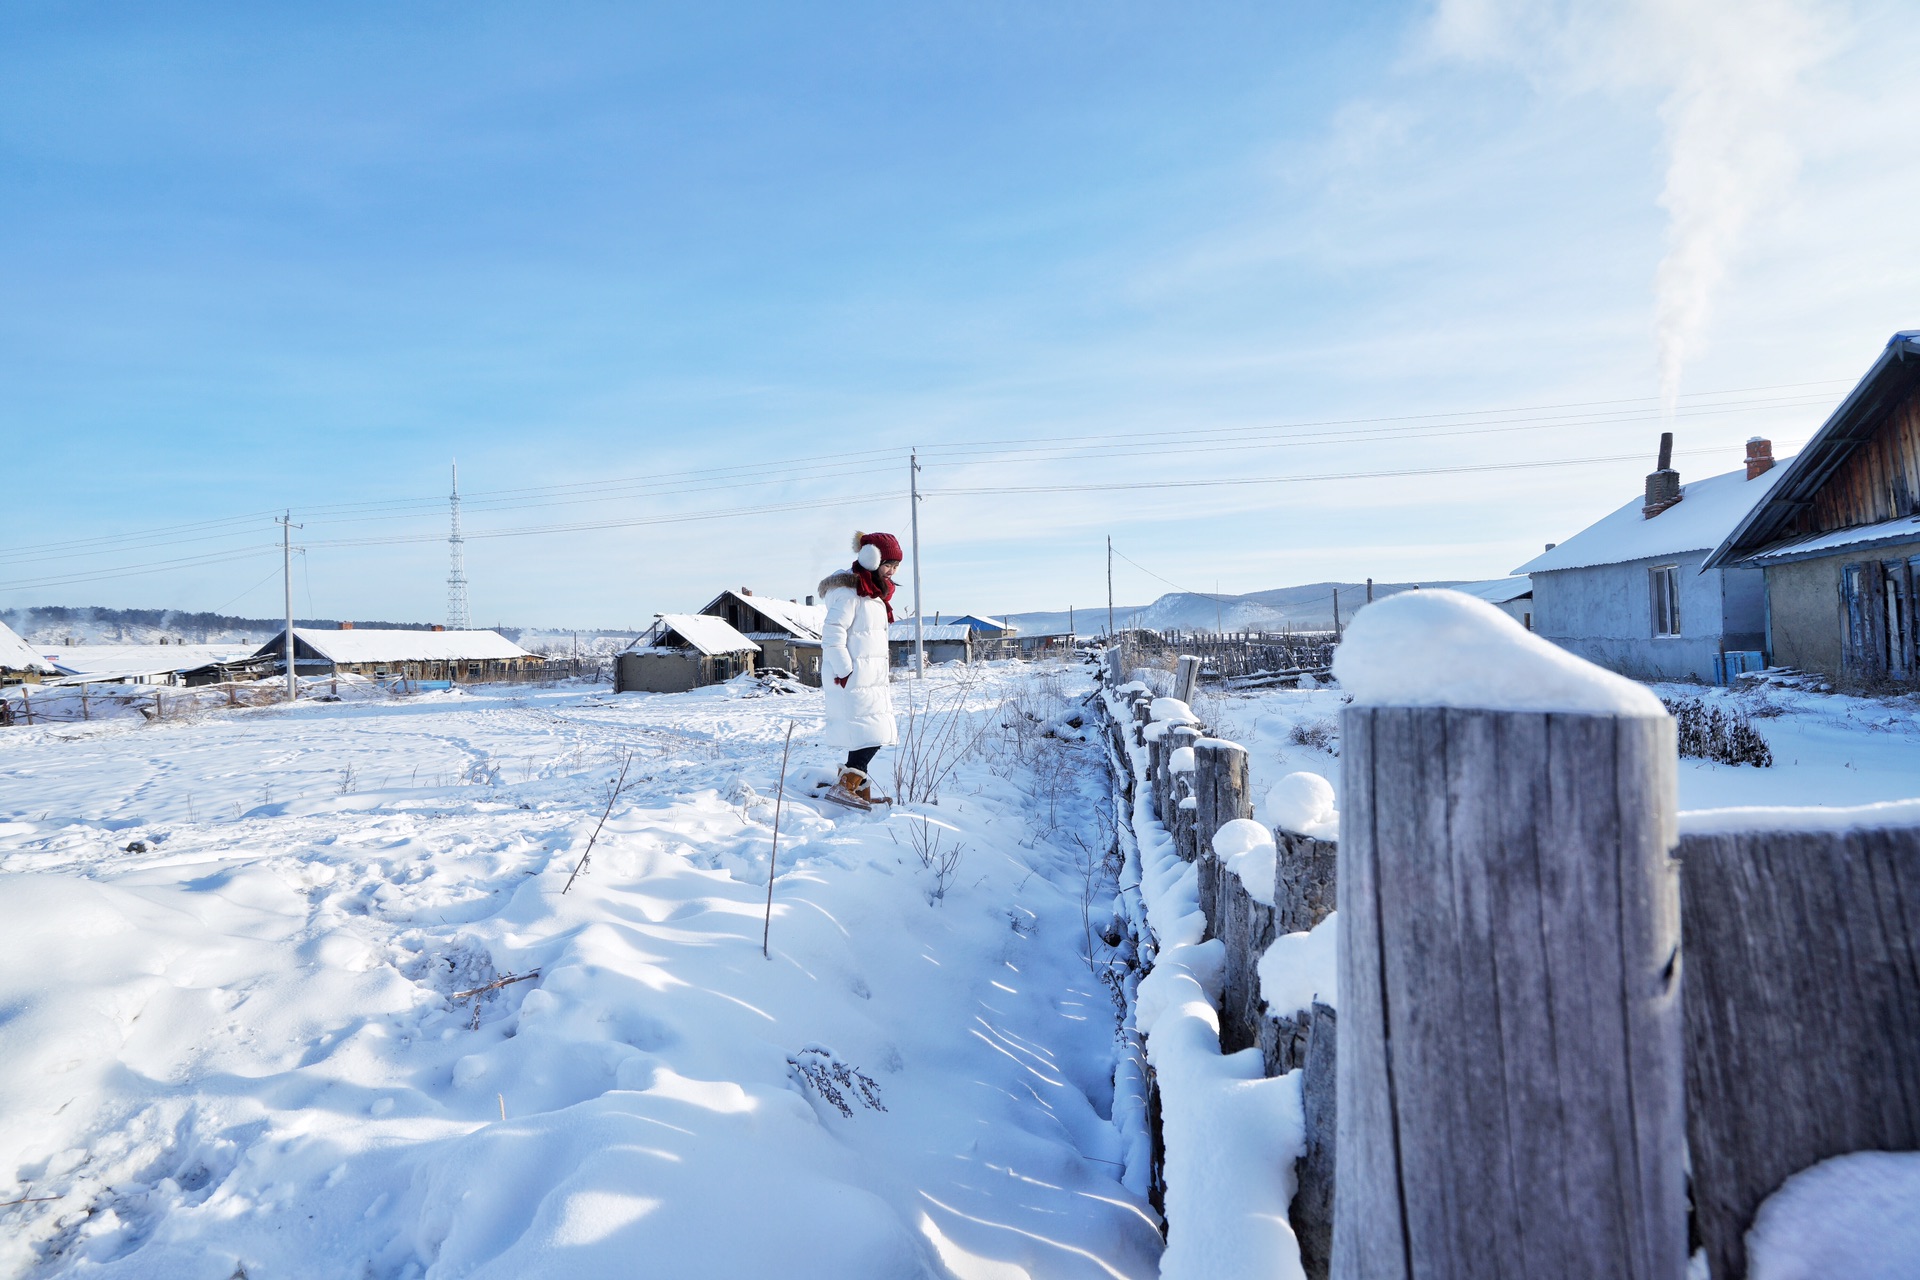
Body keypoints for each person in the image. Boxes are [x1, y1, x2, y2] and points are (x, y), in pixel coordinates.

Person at [818, 531, 901, 807]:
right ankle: (846, 786)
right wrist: (844, 670)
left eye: (896, 566)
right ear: (870, 559)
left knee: (867, 732)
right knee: (871, 733)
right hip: (852, 678)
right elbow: (832, 635)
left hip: (869, 678)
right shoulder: (849, 593)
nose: (892, 571)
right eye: (888, 564)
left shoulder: (872, 595)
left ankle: (856, 789)